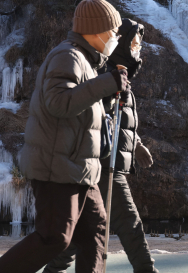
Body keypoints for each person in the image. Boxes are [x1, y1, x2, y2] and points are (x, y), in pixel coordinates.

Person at [0, 0, 129, 273]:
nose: (116, 38)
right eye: (113, 31)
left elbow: (81, 112)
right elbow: (59, 102)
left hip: (80, 169)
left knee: (95, 230)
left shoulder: (88, 62)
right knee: (54, 238)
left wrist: (109, 93)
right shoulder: (68, 56)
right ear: (95, 30)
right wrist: (105, 84)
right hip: (58, 168)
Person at [43, 18, 158, 273]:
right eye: (134, 42)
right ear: (122, 43)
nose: (137, 48)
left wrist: (136, 144)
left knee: (80, 233)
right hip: (104, 165)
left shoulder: (121, 78)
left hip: (106, 164)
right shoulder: (105, 77)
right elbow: (94, 116)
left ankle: (53, 271)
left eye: (139, 44)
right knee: (130, 223)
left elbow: (118, 121)